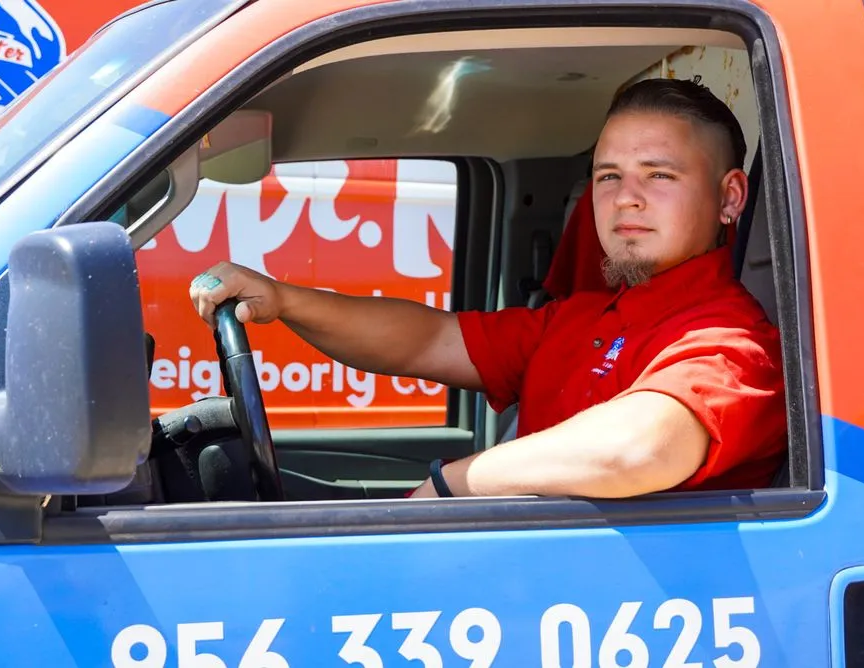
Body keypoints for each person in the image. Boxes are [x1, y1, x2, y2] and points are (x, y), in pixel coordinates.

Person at [189, 78, 787, 500]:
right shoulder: (577, 319)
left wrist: (450, 486)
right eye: (609, 176)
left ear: (730, 197)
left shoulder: (735, 343)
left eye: (659, 175)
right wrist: (283, 299)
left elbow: (638, 450)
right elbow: (428, 340)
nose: (625, 198)